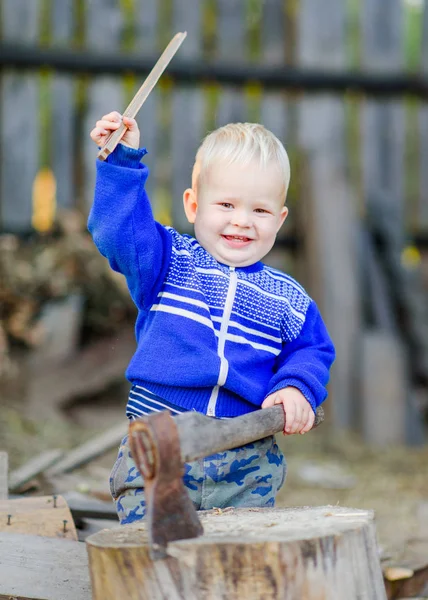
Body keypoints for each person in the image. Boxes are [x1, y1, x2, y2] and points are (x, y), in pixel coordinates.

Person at [89, 112, 335, 524]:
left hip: (246, 453)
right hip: (162, 439)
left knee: (239, 558)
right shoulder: (168, 262)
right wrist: (121, 162)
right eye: (226, 204)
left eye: (260, 210)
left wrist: (296, 387)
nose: (241, 220)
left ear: (280, 219)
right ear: (193, 204)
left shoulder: (289, 298)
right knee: (154, 554)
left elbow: (312, 350)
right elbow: (118, 232)